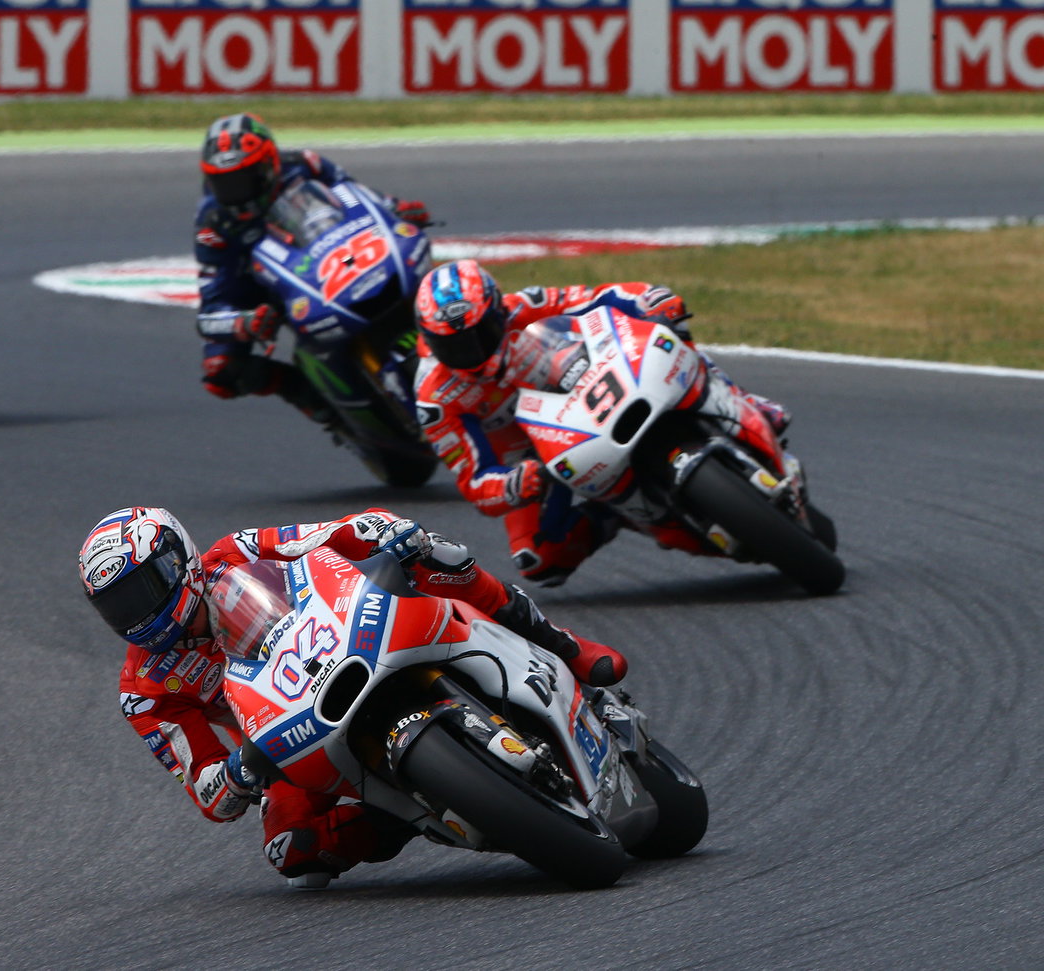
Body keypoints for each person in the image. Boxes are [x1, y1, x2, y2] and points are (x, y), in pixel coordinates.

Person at [78, 505, 626, 889]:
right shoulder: (143, 690)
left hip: (342, 640)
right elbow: (206, 792)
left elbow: (329, 535)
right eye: (118, 607)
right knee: (292, 852)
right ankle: (413, 810)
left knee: (435, 554)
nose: (137, 616)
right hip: (284, 736)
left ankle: (564, 645)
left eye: (143, 591)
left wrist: (383, 531)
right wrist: (238, 774)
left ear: (178, 561)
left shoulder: (236, 553)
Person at [412, 259, 791, 586]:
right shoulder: (435, 398)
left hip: (586, 384)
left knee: (668, 335)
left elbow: (603, 296)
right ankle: (619, 513)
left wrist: (651, 301)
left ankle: (743, 400)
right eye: (452, 346)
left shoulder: (524, 305)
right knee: (538, 558)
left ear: (497, 311)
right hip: (534, 456)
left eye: (479, 335)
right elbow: (475, 480)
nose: (471, 353)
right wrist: (513, 483)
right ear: (429, 339)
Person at [192, 112, 432, 427]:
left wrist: (393, 209)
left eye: (244, 179)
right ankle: (316, 404)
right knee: (220, 371)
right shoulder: (213, 225)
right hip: (254, 288)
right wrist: (243, 321)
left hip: (325, 253)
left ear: (269, 166)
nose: (235, 193)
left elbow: (353, 193)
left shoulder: (303, 164)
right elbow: (210, 310)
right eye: (223, 183)